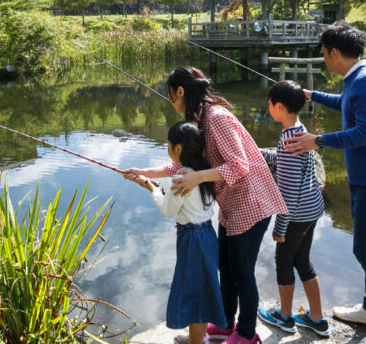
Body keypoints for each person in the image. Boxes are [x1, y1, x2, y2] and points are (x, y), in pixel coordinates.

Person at [122, 66, 287, 344]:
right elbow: (183, 164)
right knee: (225, 265)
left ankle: (247, 334)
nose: (170, 101)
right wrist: (146, 172)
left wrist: (197, 177)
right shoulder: (199, 118)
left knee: (242, 273)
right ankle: (224, 323)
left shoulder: (217, 117)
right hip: (230, 206)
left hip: (251, 203)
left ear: (181, 91)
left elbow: (239, 165)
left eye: (170, 96)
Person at [283, 23, 366, 344]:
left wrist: (318, 140)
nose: (324, 59)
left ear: (334, 53)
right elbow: (346, 104)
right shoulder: (358, 80)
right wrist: (314, 96)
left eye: (324, 54)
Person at [126, 121, 226, 344]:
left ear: (178, 148)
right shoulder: (202, 171)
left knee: (195, 291)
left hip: (192, 240)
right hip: (207, 234)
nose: (168, 148)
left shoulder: (181, 177)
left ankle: (198, 341)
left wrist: (151, 188)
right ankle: (198, 338)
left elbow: (167, 209)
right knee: (200, 286)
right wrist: (154, 185)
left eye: (169, 144)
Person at [255, 80, 329, 338]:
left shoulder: (288, 141)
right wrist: (258, 153)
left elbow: (287, 192)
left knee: (284, 262)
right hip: (313, 209)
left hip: (296, 215)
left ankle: (285, 317)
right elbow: (284, 158)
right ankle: (317, 318)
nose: (268, 109)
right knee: (303, 261)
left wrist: (280, 228)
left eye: (269, 105)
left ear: (279, 106)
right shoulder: (299, 131)